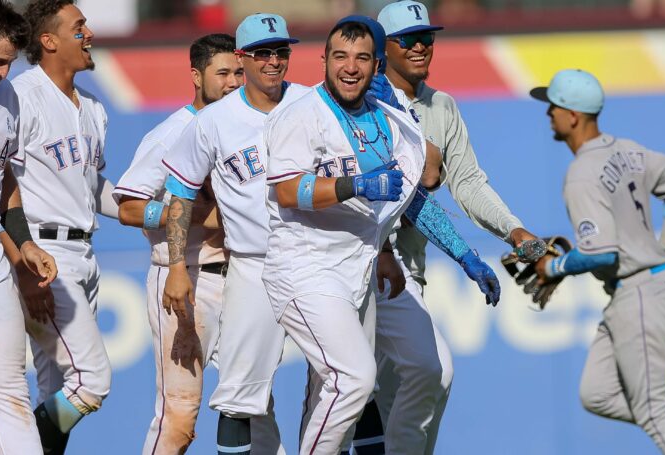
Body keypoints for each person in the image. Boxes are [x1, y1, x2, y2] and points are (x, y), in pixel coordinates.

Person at [262, 15, 499, 453]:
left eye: (361, 58)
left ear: (376, 66)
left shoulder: (390, 121)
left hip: (364, 268)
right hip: (308, 268)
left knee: (425, 369)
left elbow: (412, 197)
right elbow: (287, 189)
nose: (349, 67)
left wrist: (466, 255)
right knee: (353, 378)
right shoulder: (302, 114)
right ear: (323, 60)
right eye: (340, 57)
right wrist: (356, 184)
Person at [349, 3, 540, 453]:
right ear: (382, 49)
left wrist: (513, 231)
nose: (420, 46)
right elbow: (421, 180)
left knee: (418, 386)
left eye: (427, 38)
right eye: (407, 39)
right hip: (349, 267)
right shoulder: (360, 102)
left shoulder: (442, 106)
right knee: (350, 397)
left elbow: (466, 182)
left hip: (403, 276)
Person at [531, 69, 665, 455]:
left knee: (657, 415)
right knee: (599, 393)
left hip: (640, 292)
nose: (548, 115)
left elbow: (600, 252)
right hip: (647, 287)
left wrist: (553, 268)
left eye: (553, 107)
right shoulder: (630, 150)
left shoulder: (581, 175)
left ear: (573, 115)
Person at [161, 13, 308, 455]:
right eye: (262, 52)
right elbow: (181, 195)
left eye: (280, 51)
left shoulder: (314, 102)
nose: (273, 61)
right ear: (243, 59)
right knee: (239, 394)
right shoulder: (213, 121)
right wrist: (175, 266)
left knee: (349, 383)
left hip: (316, 259)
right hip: (253, 264)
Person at [114, 33, 244, 454]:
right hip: (187, 280)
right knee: (179, 415)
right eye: (222, 73)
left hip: (242, 279)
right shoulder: (174, 131)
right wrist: (187, 216)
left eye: (238, 72)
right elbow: (130, 208)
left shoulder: (249, 127)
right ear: (195, 75)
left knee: (253, 405)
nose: (233, 82)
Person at [10, 1, 120, 453]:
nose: (89, 33)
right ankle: (19, 446)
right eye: (79, 27)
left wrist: (155, 212)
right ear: (48, 40)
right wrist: (21, 264)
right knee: (92, 382)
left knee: (56, 389)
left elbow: (93, 188)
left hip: (85, 254)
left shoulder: (93, 107)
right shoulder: (21, 97)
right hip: (43, 257)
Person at [0, 1, 58, 453]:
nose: (4, 72)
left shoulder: (6, 98)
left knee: (11, 393)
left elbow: (3, 175)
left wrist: (23, 243)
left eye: (10, 62)